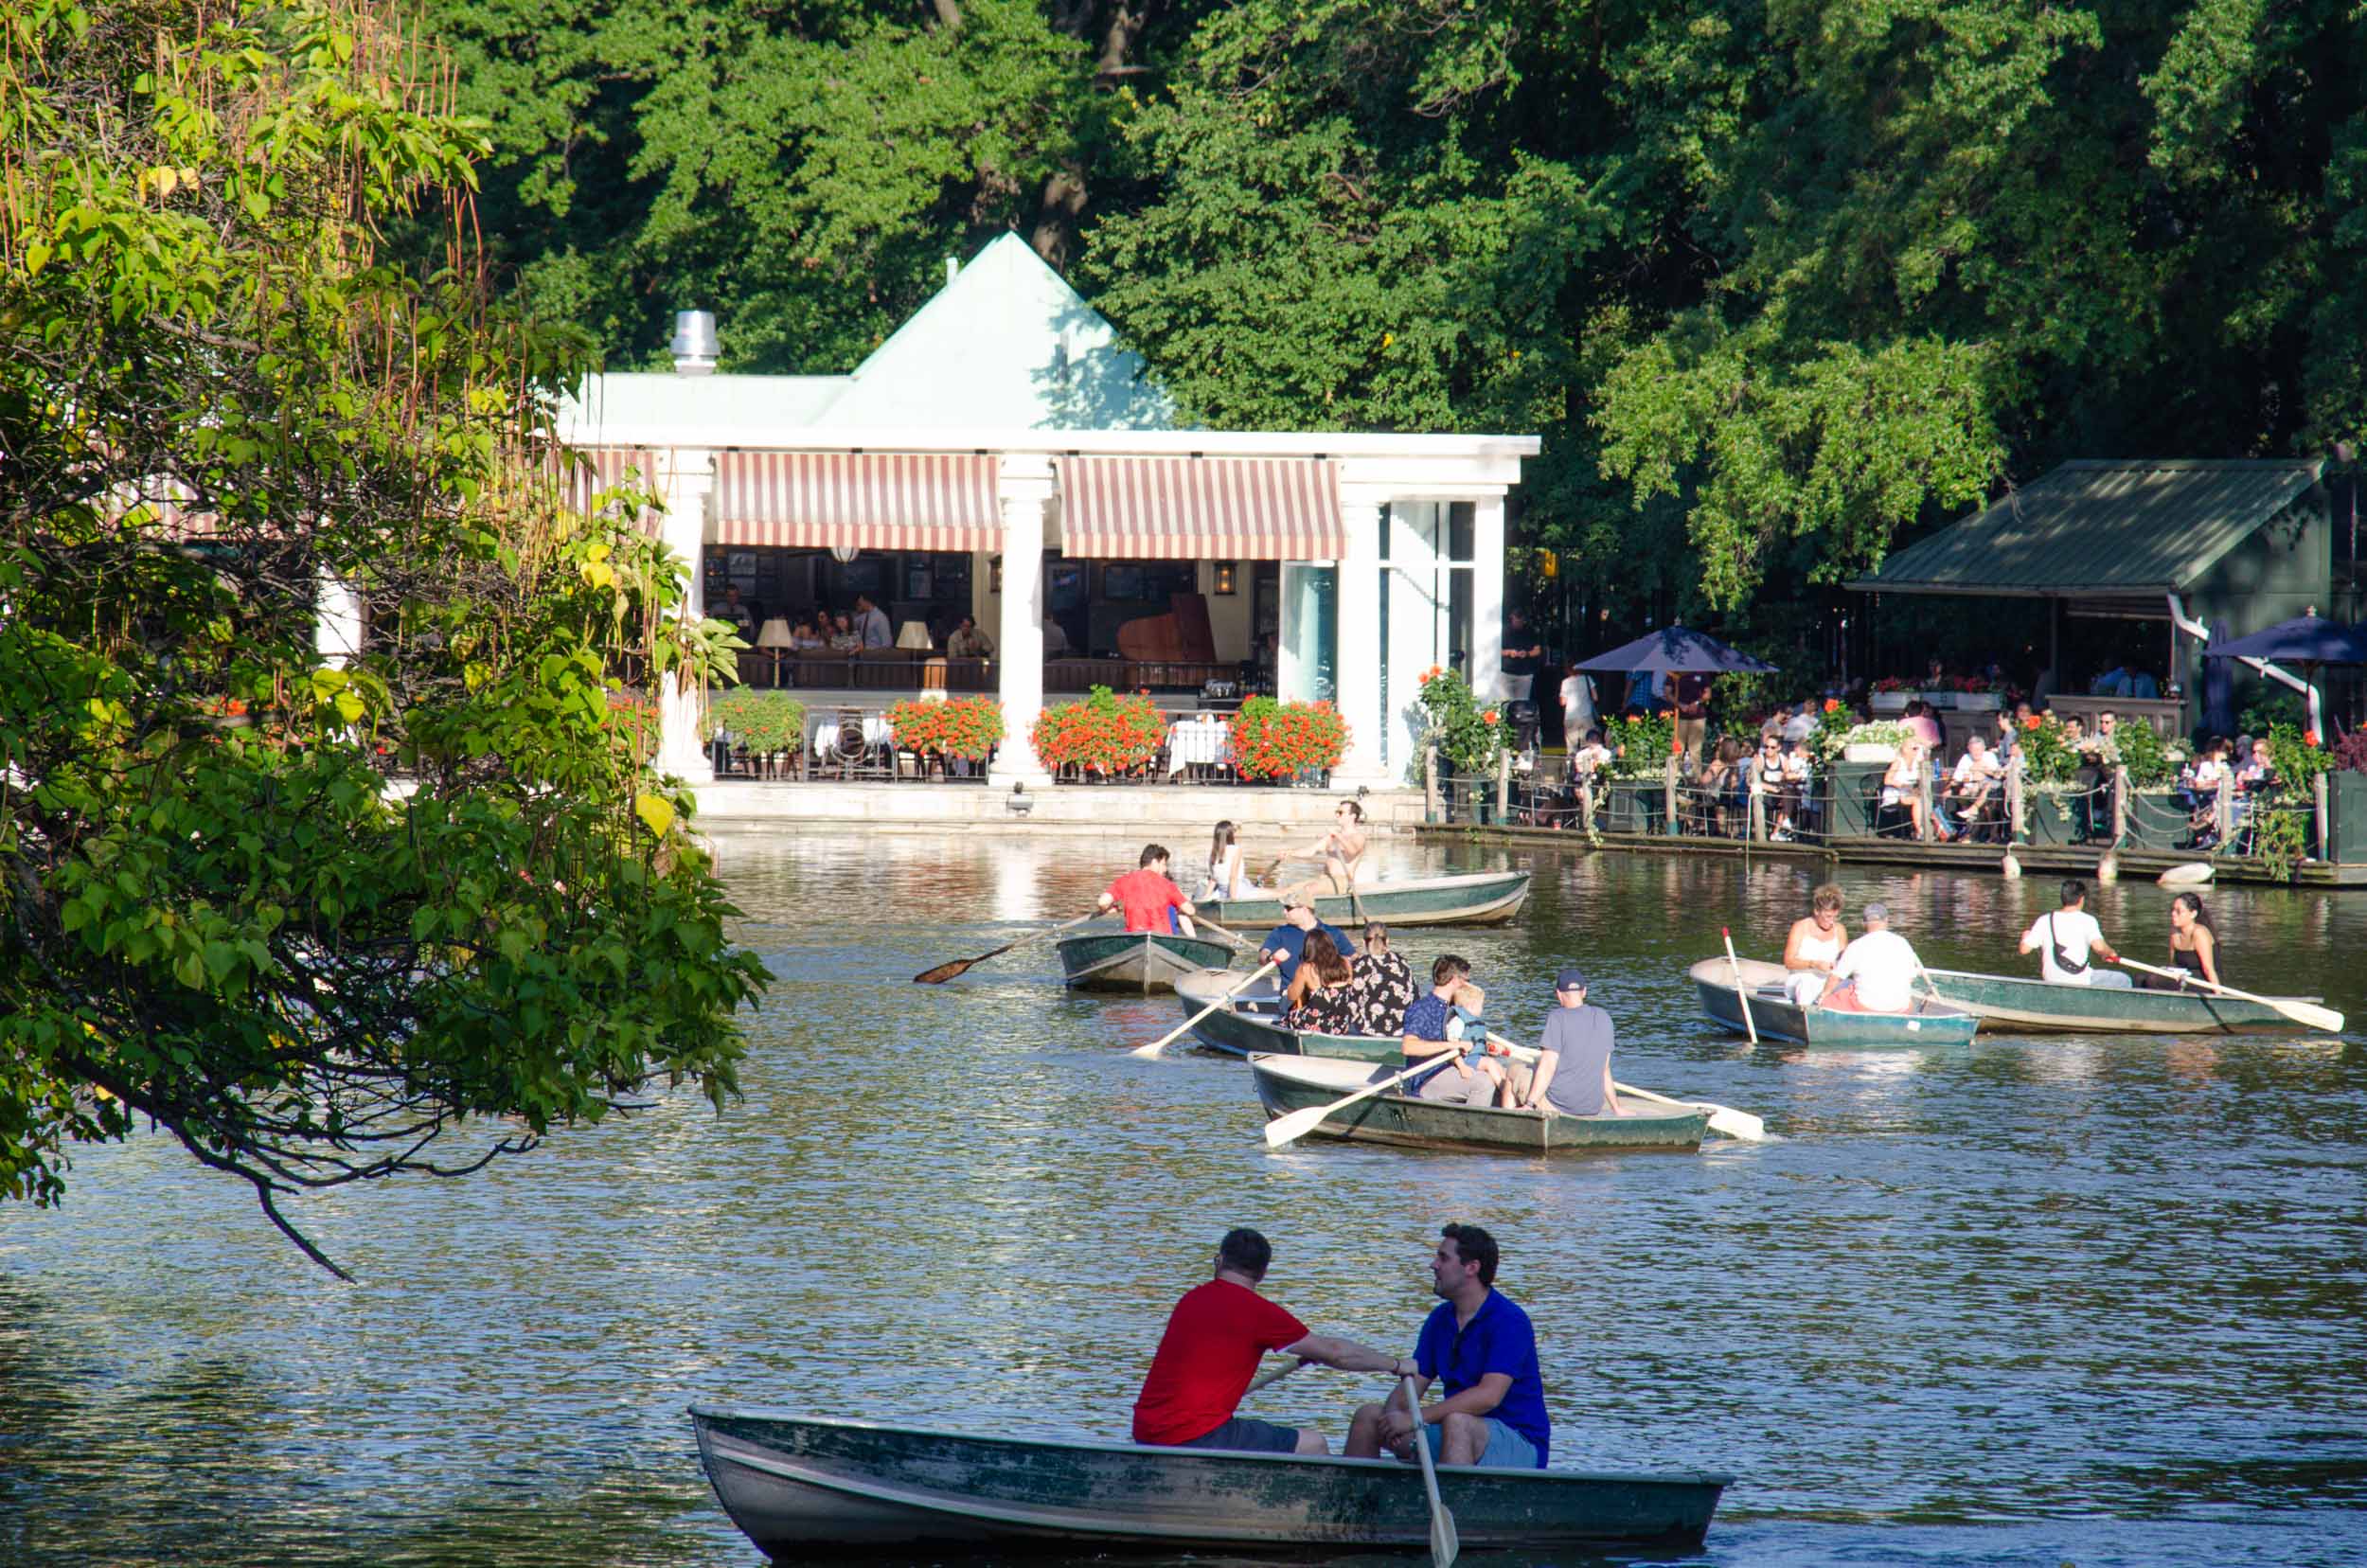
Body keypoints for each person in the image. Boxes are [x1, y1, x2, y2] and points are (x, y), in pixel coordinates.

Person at [1132, 1228, 1419, 1456]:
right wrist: (1395, 1365)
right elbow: (1337, 1353)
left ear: (1219, 1260)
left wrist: (1307, 1349)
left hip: (1146, 1430)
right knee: (1315, 1444)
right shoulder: (1259, 1312)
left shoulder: (1190, 1300)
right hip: (1193, 1434)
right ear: (1263, 1273)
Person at [1344, 1225, 1549, 1470]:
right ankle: (1355, 1506)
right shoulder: (1440, 1320)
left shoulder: (1509, 1321)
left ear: (1471, 1268)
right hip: (1457, 1433)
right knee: (1369, 1417)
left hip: (1519, 1443)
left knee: (1457, 1423)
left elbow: (1489, 1396)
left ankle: (1456, 1507)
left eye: (1443, 1258)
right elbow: (1411, 1386)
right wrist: (1394, 1419)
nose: (1433, 1265)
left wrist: (1414, 1419)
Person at [1507, 968, 1619, 1117]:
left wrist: (1530, 1104)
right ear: (1584, 992)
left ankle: (1509, 1124)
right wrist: (1616, 1108)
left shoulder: (1557, 1017)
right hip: (1592, 1108)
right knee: (1535, 1066)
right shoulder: (1604, 1017)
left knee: (1513, 1070)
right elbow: (1604, 1069)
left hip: (1558, 1106)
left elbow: (1548, 1067)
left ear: (1558, 994)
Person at [1397, 956, 1504, 1104]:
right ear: (1455, 980)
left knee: (1502, 1076)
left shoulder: (1455, 1009)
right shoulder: (1422, 1008)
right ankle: (1473, 1126)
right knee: (1483, 1083)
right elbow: (1408, 1047)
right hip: (1428, 1077)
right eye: (1468, 981)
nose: (1470, 986)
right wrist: (1453, 1046)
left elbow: (1464, 1042)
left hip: (1453, 1068)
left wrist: (1485, 1047)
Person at [2019, 879, 2131, 987]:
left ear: (2062, 898)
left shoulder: (2044, 920)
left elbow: (2024, 950)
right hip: (2080, 981)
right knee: (2124, 980)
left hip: (2051, 980)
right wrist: (2110, 953)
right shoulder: (2088, 920)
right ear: (2081, 899)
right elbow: (2100, 948)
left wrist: (2025, 936)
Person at [1819, 902, 1923, 1013]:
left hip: (1866, 1007)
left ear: (1863, 923)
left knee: (1831, 999)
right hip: (1900, 1008)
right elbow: (1910, 978)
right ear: (1886, 920)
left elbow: (1835, 977)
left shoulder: (1856, 945)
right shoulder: (1903, 942)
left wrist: (1823, 996)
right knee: (1909, 1002)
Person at [1256, 897, 1354, 997]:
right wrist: (1271, 958)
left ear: (1304, 910)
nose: (1284, 912)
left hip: (1329, 994)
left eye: (1288, 908)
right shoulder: (1279, 932)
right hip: (1292, 995)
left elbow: (1353, 958)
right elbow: (1262, 958)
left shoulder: (1334, 933)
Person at [1099, 844, 1196, 936]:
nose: (1165, 869)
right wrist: (1182, 907)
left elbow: (1102, 902)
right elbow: (1190, 911)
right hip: (1162, 936)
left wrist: (1109, 909)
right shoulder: (1167, 884)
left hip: (1134, 936)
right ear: (1154, 862)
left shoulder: (1125, 880)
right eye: (1163, 864)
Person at [1283, 799, 1368, 903]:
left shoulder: (1358, 837)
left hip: (1342, 881)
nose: (1337, 815)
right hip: (1324, 879)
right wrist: (1290, 853)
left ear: (1353, 816)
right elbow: (1310, 851)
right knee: (1288, 890)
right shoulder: (1331, 837)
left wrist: (1339, 836)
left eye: (1340, 813)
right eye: (1336, 812)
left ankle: (1305, 917)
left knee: (1309, 889)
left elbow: (1353, 851)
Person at [2136, 891, 2222, 989]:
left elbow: (2208, 969)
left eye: (2178, 911)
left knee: (2153, 980)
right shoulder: (2174, 933)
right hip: (2182, 977)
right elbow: (2173, 964)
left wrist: (2218, 993)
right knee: (2140, 979)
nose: (2173, 914)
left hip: (2203, 981)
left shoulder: (2199, 933)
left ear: (2193, 914)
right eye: (2172, 910)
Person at [1780, 883, 1850, 1005]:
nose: (1831, 921)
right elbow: (1788, 962)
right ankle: (1805, 1015)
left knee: (1852, 986)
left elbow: (1844, 962)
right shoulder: (1800, 927)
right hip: (1801, 977)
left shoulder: (1840, 930)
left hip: (1828, 980)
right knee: (1807, 982)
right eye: (1828, 916)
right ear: (1817, 911)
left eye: (1835, 917)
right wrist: (1814, 964)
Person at [1345, 922, 1417, 1036]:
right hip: (1403, 1029)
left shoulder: (1362, 965)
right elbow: (1414, 995)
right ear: (1387, 941)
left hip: (1371, 1030)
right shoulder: (1402, 963)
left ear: (1364, 942)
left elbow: (1351, 1000)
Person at [1283, 931, 1359, 1033]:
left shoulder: (1306, 968)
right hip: (1340, 1024)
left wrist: (1289, 988)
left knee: (1286, 1013)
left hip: (1313, 1024)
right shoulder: (1345, 962)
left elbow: (1292, 996)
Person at [1948, 734, 2004, 841]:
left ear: (1984, 748)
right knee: (1963, 792)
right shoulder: (1965, 758)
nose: (1977, 752)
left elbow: (1998, 775)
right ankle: (1970, 830)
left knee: (1988, 802)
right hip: (1972, 788)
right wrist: (1973, 776)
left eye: (1979, 749)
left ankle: (1988, 832)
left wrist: (1983, 770)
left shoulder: (1989, 756)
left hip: (1989, 788)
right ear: (1969, 749)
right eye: (1974, 749)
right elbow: (1959, 778)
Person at [1882, 738, 1940, 841]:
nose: (1916, 751)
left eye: (1917, 749)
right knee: (1916, 800)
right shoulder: (1898, 762)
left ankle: (1935, 828)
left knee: (1927, 797)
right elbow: (1887, 780)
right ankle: (1920, 831)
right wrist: (1902, 785)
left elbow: (1927, 752)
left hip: (1908, 792)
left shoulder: (1916, 763)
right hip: (1895, 794)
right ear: (1905, 750)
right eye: (1914, 749)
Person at [1203, 820, 1258, 900]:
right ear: (1230, 835)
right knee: (1280, 892)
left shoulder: (1213, 852)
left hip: (1221, 892)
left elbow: (1213, 878)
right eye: (1233, 831)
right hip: (1238, 890)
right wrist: (1233, 900)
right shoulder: (1236, 850)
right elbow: (1233, 877)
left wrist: (1206, 897)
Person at [1672, 670, 1710, 768]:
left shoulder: (1701, 673)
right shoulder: (1674, 673)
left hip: (1698, 717)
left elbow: (1708, 694)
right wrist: (1680, 705)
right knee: (1676, 749)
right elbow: (1667, 692)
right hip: (1680, 717)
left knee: (1695, 750)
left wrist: (1696, 703)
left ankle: (1696, 779)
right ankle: (1673, 777)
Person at [1557, 667, 1595, 746]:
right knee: (1587, 745)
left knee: (1572, 746)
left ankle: (1572, 758)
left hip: (1571, 716)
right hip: (1586, 714)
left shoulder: (1566, 682)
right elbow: (1595, 697)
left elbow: (1563, 702)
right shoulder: (1588, 679)